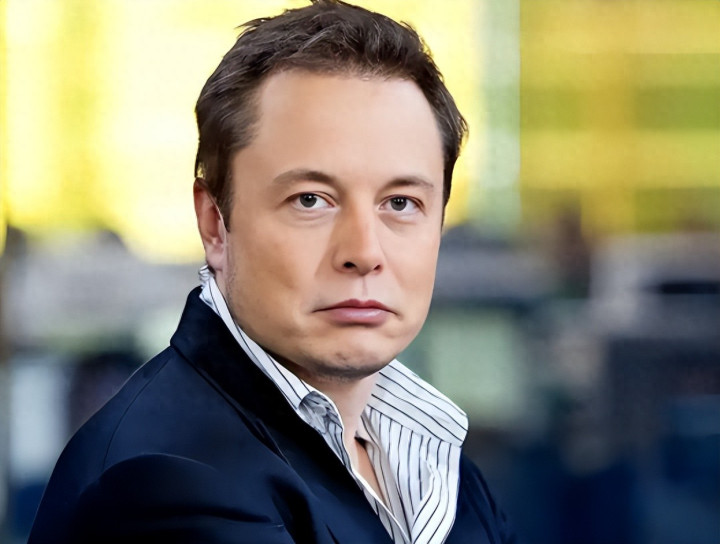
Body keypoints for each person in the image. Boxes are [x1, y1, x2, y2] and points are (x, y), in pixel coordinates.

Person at [29, 1, 516, 542]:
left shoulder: (437, 464)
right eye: (311, 200)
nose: (364, 252)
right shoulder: (165, 483)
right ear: (215, 223)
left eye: (400, 203)